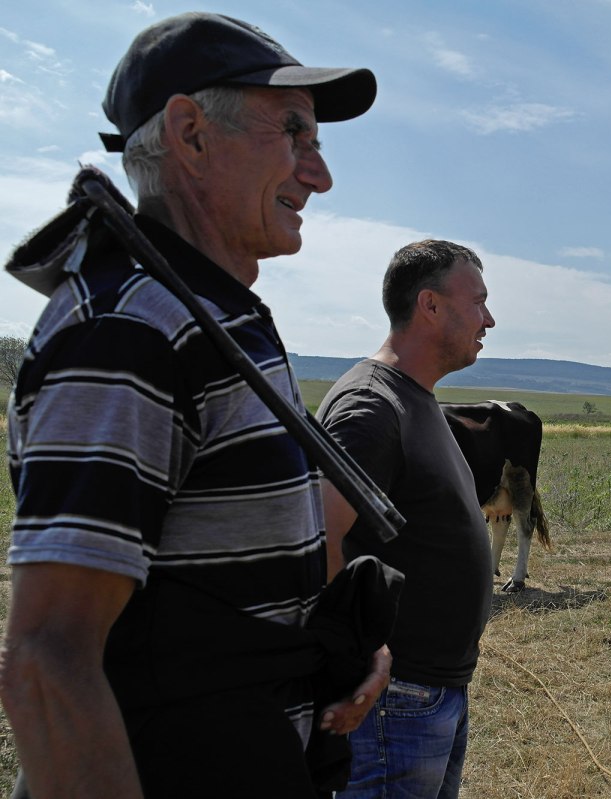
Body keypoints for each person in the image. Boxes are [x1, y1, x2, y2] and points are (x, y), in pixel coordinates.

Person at [0, 12, 389, 798]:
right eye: (294, 133)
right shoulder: (129, 329)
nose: (320, 175)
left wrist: (326, 650)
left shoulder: (214, 314)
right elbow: (48, 656)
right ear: (190, 133)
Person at [317, 239, 496, 798]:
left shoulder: (414, 398)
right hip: (395, 698)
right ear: (431, 305)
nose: (488, 319)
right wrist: (366, 652)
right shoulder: (371, 408)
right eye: (479, 302)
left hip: (429, 691)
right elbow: (317, 538)